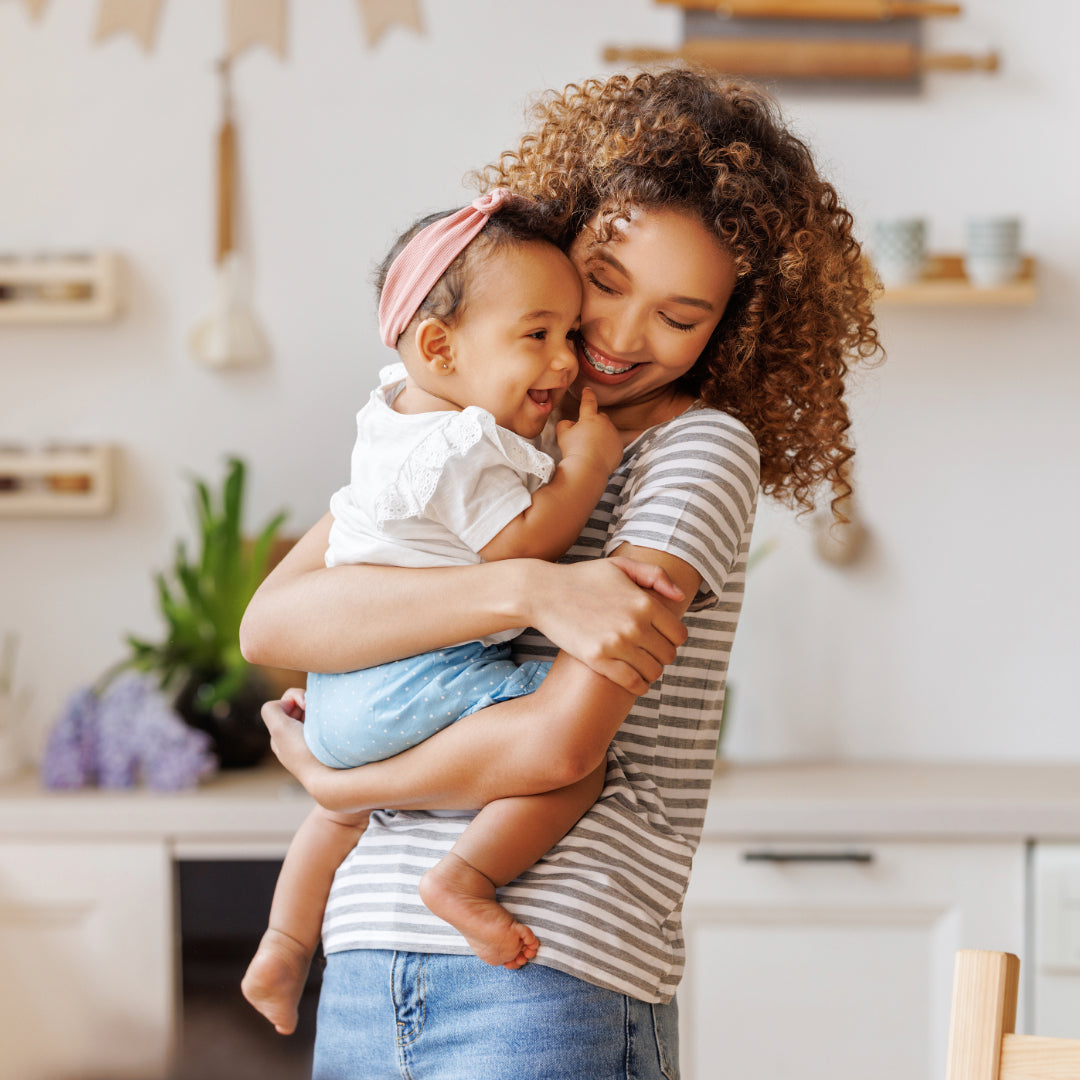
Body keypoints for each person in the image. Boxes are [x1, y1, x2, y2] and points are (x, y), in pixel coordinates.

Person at [240, 66, 881, 1079]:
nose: (623, 340)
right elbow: (274, 626)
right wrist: (529, 588)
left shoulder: (696, 452)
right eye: (606, 283)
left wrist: (337, 779)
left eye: (680, 317)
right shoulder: (472, 431)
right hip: (366, 961)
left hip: (549, 972)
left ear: (735, 327)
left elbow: (555, 744)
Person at [241, 189, 629, 1035]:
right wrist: (587, 469)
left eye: (570, 335)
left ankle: (281, 942)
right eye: (537, 336)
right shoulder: (462, 445)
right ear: (438, 346)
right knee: (577, 758)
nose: (566, 363)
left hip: (343, 690)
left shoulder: (394, 419)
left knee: (338, 809)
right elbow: (520, 547)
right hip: (414, 679)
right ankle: (465, 878)